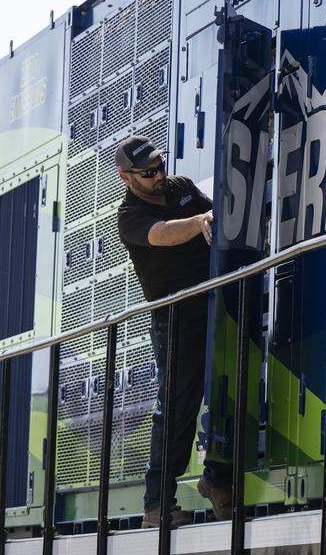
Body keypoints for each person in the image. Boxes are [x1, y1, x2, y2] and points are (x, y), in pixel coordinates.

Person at [114, 135, 232, 527]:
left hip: (217, 304)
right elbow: (162, 234)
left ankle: (216, 479)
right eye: (148, 172)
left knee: (229, 390)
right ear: (127, 178)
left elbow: (220, 216)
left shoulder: (180, 187)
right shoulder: (129, 216)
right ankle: (157, 503)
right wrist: (200, 223)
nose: (158, 175)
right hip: (175, 318)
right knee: (177, 408)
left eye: (160, 164)